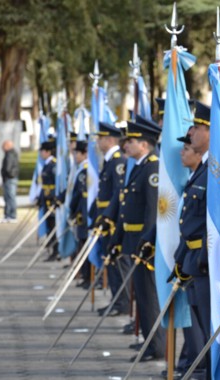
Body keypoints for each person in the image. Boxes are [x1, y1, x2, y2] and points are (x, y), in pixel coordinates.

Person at [110, 117, 165, 362]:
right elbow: (126, 208)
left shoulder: (152, 167)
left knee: (148, 296)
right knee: (141, 294)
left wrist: (146, 243)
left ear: (143, 144)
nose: (125, 146)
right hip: (133, 239)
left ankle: (157, 347)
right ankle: (149, 342)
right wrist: (117, 240)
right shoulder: (141, 167)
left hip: (144, 244)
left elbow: (152, 212)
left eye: (130, 141)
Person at [166, 101, 212, 379]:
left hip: (205, 263)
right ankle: (202, 369)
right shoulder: (201, 171)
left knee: (207, 326)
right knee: (198, 324)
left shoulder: (214, 171)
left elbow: (212, 223)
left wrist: (202, 260)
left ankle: (207, 371)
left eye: (197, 127)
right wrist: (183, 259)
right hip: (194, 261)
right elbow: (189, 224)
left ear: (209, 131)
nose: (191, 132)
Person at [93, 121, 130, 317]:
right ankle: (116, 301)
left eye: (100, 138)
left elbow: (119, 195)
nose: (98, 142)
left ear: (109, 139)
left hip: (113, 222)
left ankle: (122, 303)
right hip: (106, 220)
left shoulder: (117, 162)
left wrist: (110, 219)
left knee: (117, 264)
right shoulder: (110, 160)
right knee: (110, 263)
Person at [68, 140, 91, 288]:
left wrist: (72, 209)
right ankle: (86, 276)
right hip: (81, 215)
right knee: (82, 245)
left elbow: (78, 195)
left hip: (86, 215)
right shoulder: (80, 170)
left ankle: (89, 277)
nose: (75, 155)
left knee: (87, 248)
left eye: (77, 153)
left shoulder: (86, 172)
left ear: (84, 154)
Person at [38, 138, 59, 262]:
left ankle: (55, 251)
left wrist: (50, 195)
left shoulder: (54, 165)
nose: (41, 154)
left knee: (53, 227)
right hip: (46, 201)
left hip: (52, 201)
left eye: (42, 151)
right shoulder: (47, 165)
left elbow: (57, 185)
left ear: (48, 152)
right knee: (49, 227)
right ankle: (52, 249)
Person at [0, 140, 19, 223]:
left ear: (7, 146)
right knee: (8, 197)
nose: (2, 148)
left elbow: (8, 167)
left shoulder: (9, 154)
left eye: (3, 146)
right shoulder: (12, 153)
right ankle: (8, 215)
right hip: (10, 177)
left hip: (9, 178)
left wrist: (7, 174)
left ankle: (11, 215)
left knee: (10, 197)